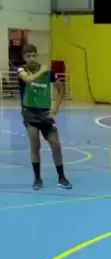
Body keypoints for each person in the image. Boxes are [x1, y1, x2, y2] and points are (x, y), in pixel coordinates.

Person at [18, 44, 72, 190]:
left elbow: (61, 88)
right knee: (34, 142)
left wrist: (55, 108)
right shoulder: (22, 70)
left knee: (56, 144)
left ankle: (61, 177)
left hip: (45, 113)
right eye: (28, 56)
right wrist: (42, 70)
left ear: (37, 55)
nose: (31, 58)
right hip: (29, 113)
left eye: (33, 55)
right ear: (24, 58)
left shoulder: (49, 72)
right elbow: (28, 80)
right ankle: (37, 179)